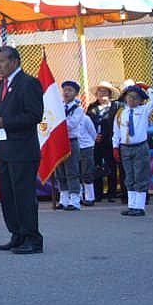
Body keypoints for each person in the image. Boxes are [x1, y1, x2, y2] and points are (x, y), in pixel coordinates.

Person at [0, 46, 45, 255]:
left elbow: (34, 115)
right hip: (4, 149)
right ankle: (17, 234)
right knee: (8, 196)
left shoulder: (29, 83)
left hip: (22, 150)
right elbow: (2, 114)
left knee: (23, 196)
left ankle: (32, 238)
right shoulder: (1, 85)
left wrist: (6, 122)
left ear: (15, 61)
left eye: (1, 61)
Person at [112, 83, 153, 217]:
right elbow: (116, 131)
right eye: (129, 97)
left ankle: (139, 206)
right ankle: (131, 205)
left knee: (140, 175)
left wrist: (147, 87)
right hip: (125, 147)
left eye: (135, 98)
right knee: (129, 176)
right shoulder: (121, 113)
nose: (131, 100)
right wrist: (115, 147)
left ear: (140, 100)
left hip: (139, 146)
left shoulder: (144, 110)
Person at [57, 81, 96, 211]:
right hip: (59, 141)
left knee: (72, 171)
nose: (66, 93)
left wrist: (57, 123)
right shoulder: (58, 107)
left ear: (76, 93)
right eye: (65, 90)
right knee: (60, 171)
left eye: (70, 90)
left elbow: (71, 125)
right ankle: (64, 199)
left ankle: (75, 200)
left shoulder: (78, 109)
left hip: (71, 141)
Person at [86, 82, 121, 206]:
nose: (102, 94)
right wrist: (94, 135)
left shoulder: (116, 106)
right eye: (100, 91)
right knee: (96, 166)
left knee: (111, 165)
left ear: (110, 94)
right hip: (96, 140)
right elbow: (88, 123)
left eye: (105, 91)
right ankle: (98, 193)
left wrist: (107, 135)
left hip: (110, 140)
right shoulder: (91, 107)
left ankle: (112, 193)